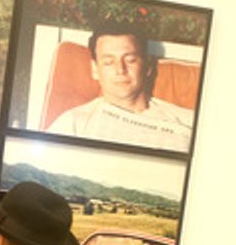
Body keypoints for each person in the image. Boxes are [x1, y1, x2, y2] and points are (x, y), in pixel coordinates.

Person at [45, 27, 193, 152]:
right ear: (95, 69)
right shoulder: (73, 123)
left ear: (147, 66)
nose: (120, 70)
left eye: (130, 60)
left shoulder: (187, 122)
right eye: (108, 62)